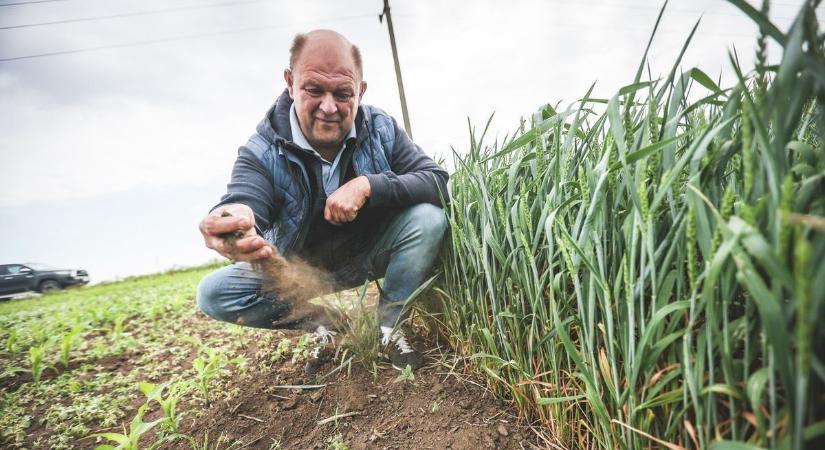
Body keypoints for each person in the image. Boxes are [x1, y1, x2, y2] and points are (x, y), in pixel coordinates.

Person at [196, 29, 448, 373]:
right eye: (314, 90)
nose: (329, 108)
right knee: (214, 293)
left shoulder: (381, 128)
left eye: (343, 93)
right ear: (290, 82)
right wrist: (233, 217)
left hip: (371, 254)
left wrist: (368, 185)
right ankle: (330, 326)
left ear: (360, 91)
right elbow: (244, 196)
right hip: (297, 273)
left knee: (429, 217)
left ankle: (390, 328)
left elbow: (436, 181)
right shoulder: (262, 149)